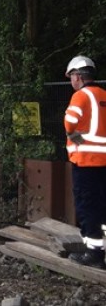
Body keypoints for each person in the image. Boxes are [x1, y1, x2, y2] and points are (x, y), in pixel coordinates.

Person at [63, 55, 106, 269]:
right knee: (103, 206)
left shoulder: (80, 97)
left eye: (71, 76)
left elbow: (70, 124)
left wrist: (79, 139)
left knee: (88, 207)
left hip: (85, 162)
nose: (71, 81)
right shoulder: (104, 95)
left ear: (78, 76)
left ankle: (94, 254)